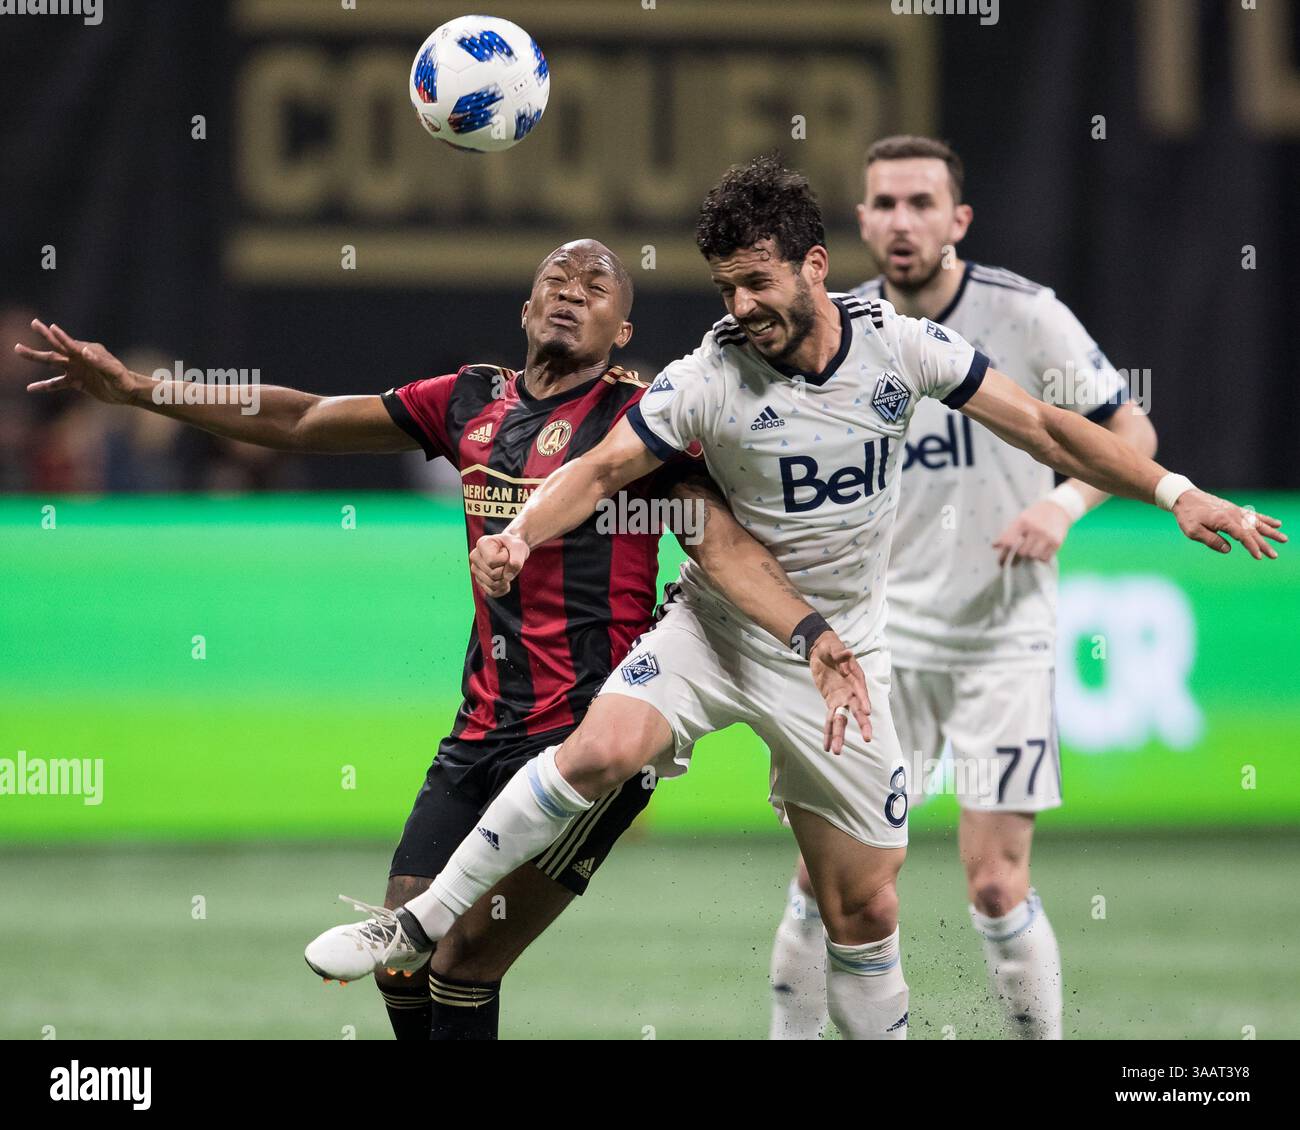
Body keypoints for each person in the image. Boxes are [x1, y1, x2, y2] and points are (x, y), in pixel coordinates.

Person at [304, 157, 1283, 1040]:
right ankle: (416, 922)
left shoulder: (901, 351)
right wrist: (522, 531)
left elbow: (1044, 427)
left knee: (862, 912)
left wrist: (1177, 491)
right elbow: (601, 468)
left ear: (815, 266)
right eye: (725, 284)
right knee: (598, 748)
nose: (740, 305)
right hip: (712, 629)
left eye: (757, 280)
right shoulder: (705, 377)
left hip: (847, 655)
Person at [13, 239, 866, 1040]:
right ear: (527, 304)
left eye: (596, 286)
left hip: (587, 735)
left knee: (460, 959)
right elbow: (307, 418)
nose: (572, 292)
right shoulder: (469, 398)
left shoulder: (640, 421)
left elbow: (717, 540)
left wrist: (809, 631)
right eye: (557, 281)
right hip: (479, 729)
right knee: (398, 966)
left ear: (624, 331)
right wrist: (140, 390)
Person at [768, 135, 1160, 1040]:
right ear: (861, 219)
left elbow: (1128, 432)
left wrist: (1064, 506)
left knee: (994, 884)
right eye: (884, 205)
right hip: (876, 646)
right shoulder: (838, 327)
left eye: (920, 204)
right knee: (828, 881)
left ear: (958, 219)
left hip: (1001, 640)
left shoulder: (1026, 317)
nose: (902, 222)